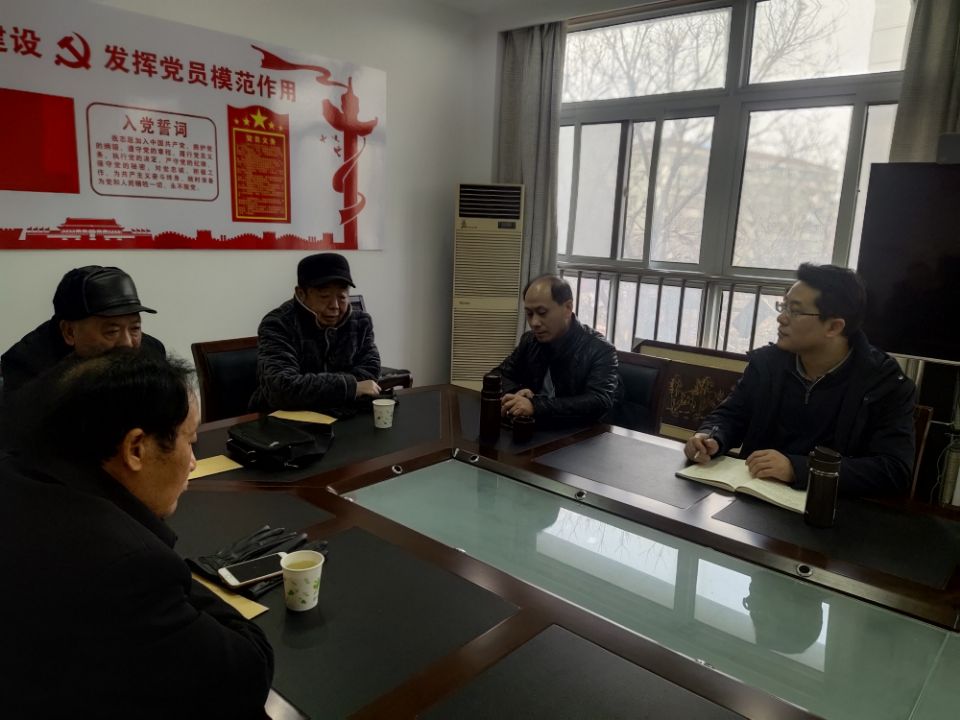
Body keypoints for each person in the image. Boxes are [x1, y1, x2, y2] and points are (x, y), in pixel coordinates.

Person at [0, 351, 274, 718]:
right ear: (135, 448)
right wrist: (164, 561)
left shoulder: (16, 475)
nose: (193, 462)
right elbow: (249, 671)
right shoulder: (127, 566)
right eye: (190, 441)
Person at [684, 263, 916, 497]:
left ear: (834, 327)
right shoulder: (767, 364)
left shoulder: (884, 382)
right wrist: (711, 437)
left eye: (794, 311)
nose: (781, 318)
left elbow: (894, 470)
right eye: (783, 306)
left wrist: (799, 469)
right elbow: (732, 415)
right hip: (754, 496)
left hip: (830, 506)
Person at [1, 265, 165, 399]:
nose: (127, 343)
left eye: (135, 328)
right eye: (112, 331)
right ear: (69, 332)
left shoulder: (152, 352)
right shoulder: (26, 365)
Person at [250, 252, 381, 412]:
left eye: (342, 296)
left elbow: (370, 373)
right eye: (324, 296)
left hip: (343, 414)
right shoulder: (277, 324)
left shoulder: (360, 322)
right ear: (301, 294)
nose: (335, 306)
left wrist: (312, 388)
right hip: (283, 419)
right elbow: (282, 388)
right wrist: (350, 387)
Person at [497, 274, 620, 425]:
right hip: (532, 428)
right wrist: (517, 394)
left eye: (542, 313)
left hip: (579, 433)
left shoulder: (600, 349)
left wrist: (535, 406)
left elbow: (599, 401)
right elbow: (497, 375)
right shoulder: (530, 341)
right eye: (529, 314)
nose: (534, 322)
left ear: (567, 308)